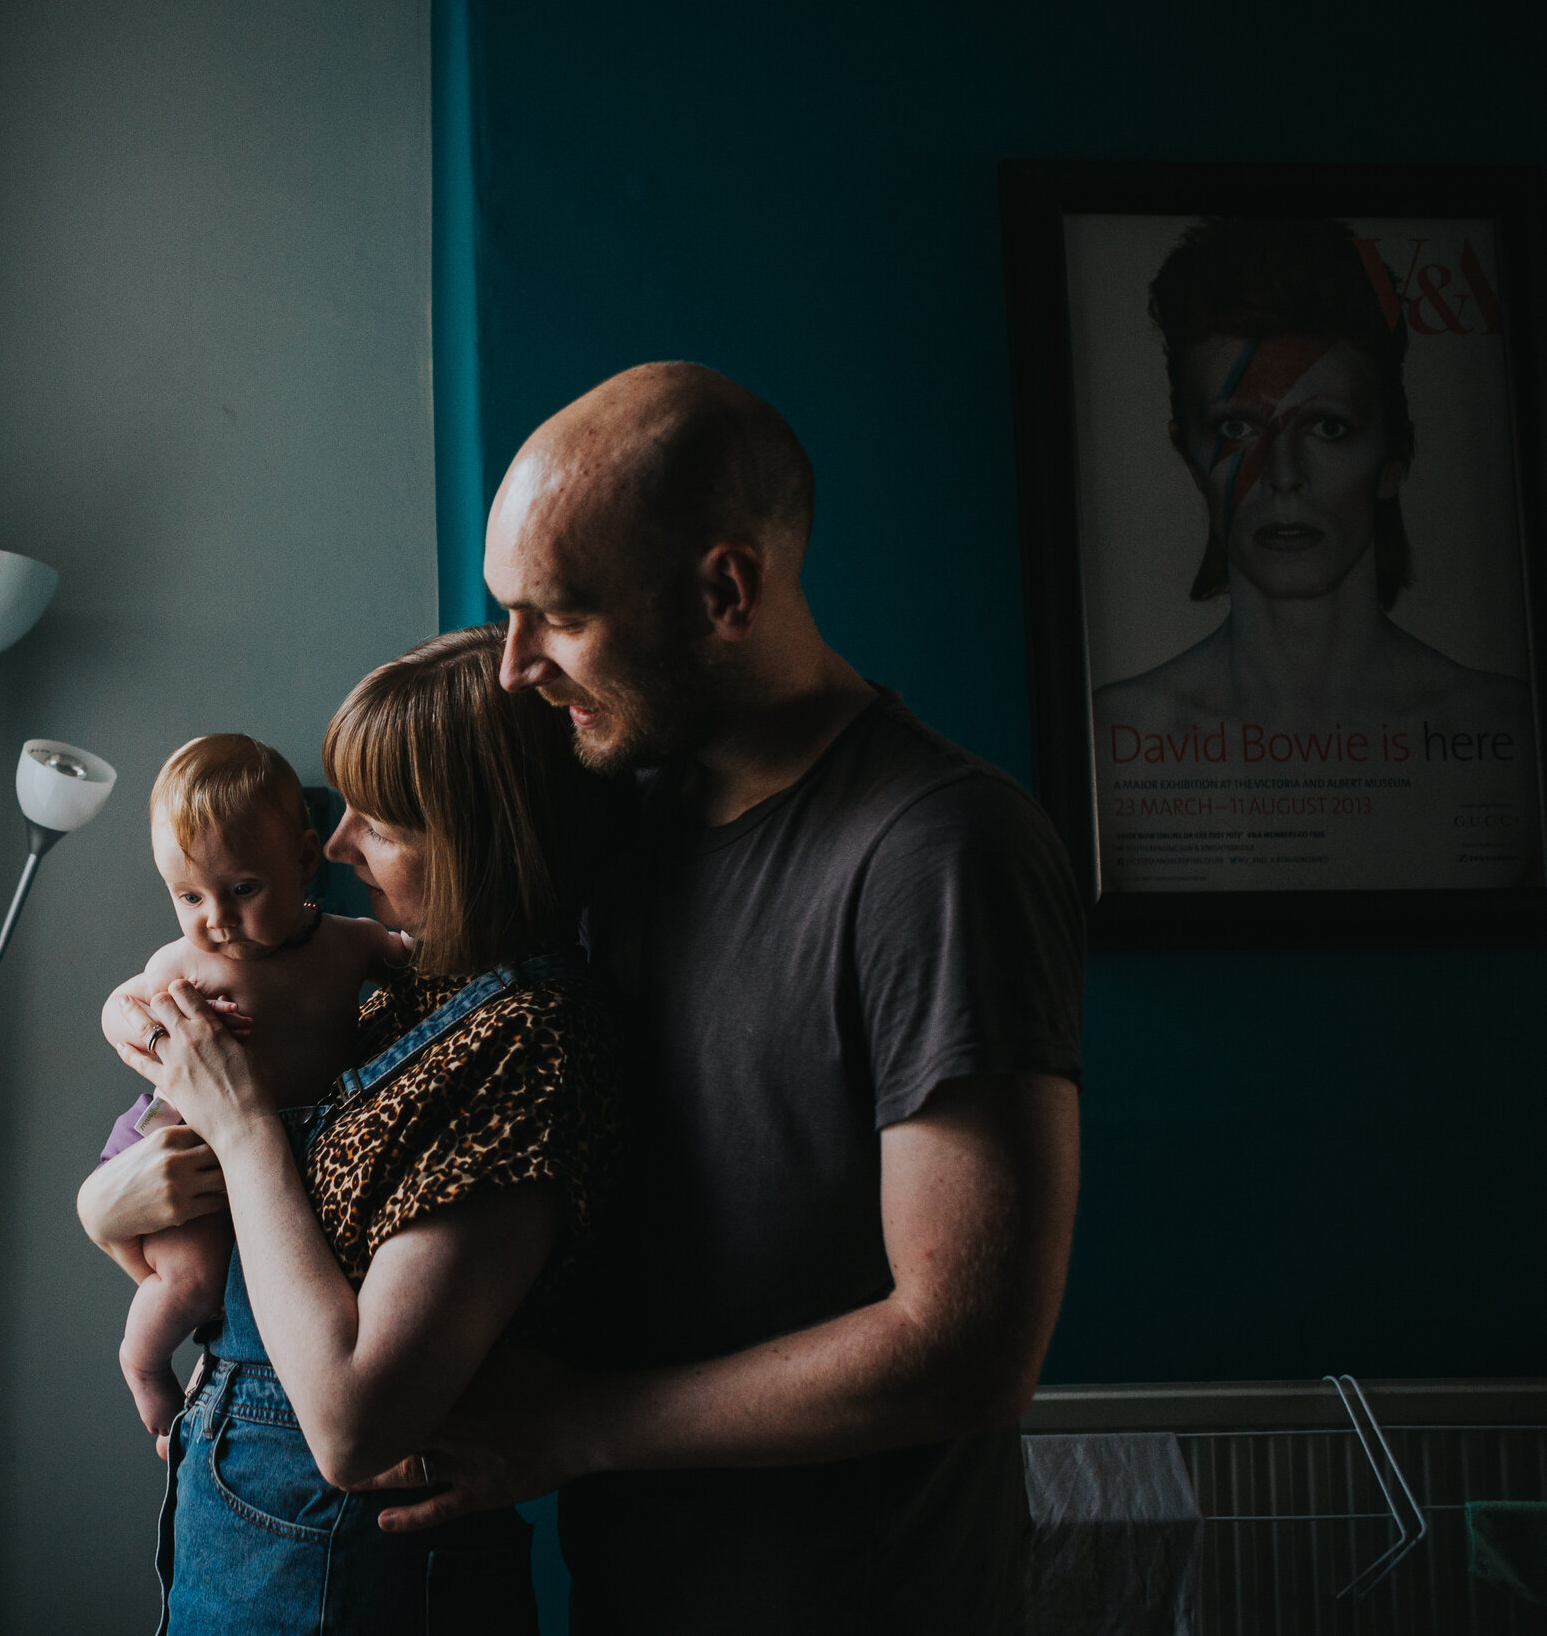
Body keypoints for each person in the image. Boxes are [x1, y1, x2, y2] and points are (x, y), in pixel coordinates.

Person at [365, 362, 1085, 1633]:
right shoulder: (623, 821)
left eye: (561, 616)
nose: (514, 667)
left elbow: (966, 1347)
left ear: (725, 589)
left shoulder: (936, 849)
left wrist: (576, 1428)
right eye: (507, 615)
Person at [76, 628, 617, 1635]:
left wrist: (238, 1128)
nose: (333, 845)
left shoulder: (525, 1038)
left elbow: (352, 1425)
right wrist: (105, 1205)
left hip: (336, 1557)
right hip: (247, 1504)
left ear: (474, 834)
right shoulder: (412, 1000)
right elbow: (263, 1256)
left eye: (381, 819)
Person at [1092, 216, 1537, 889]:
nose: (1284, 475)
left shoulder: (1509, 734)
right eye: (1238, 428)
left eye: (1329, 426)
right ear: (1188, 452)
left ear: (1392, 454)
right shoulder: (1110, 745)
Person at [93, 733, 411, 1434]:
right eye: (188, 894)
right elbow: (121, 1003)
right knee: (196, 1282)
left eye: (242, 888)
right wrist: (137, 1027)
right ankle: (145, 1363)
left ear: (303, 860)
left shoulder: (348, 943)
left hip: (273, 1150)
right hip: (183, 1148)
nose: (216, 916)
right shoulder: (184, 961)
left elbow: (412, 958)